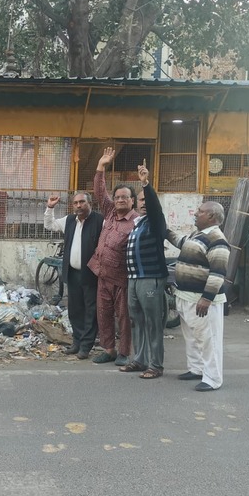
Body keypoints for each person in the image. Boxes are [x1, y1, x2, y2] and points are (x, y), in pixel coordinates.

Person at [166, 201, 232, 391]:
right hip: (186, 296)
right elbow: (180, 241)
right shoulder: (197, 235)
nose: (196, 213)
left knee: (209, 339)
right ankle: (196, 368)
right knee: (192, 337)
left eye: (200, 211)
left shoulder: (217, 240)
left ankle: (213, 379)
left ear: (211, 216)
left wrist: (207, 298)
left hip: (201, 300)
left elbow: (218, 273)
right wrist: (165, 230)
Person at [88, 147, 138, 365]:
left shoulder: (136, 222)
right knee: (103, 313)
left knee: (124, 317)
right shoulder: (109, 212)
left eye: (124, 197)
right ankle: (109, 349)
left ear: (132, 200)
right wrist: (101, 166)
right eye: (117, 197)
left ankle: (124, 352)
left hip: (122, 279)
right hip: (102, 275)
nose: (119, 200)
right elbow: (100, 192)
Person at [122, 162, 169, 379]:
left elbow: (155, 207)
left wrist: (146, 185)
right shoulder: (138, 224)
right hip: (134, 279)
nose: (143, 203)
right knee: (137, 320)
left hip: (151, 278)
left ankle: (155, 365)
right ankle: (140, 360)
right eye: (140, 200)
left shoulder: (156, 222)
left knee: (153, 322)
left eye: (146, 200)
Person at [43, 191, 102, 359]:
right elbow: (49, 225)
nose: (78, 205)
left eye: (82, 202)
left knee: (91, 310)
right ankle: (77, 342)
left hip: (91, 274)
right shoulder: (69, 220)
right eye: (75, 203)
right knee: (75, 310)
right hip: (73, 273)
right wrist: (50, 208)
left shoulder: (100, 221)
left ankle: (86, 346)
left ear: (90, 203)